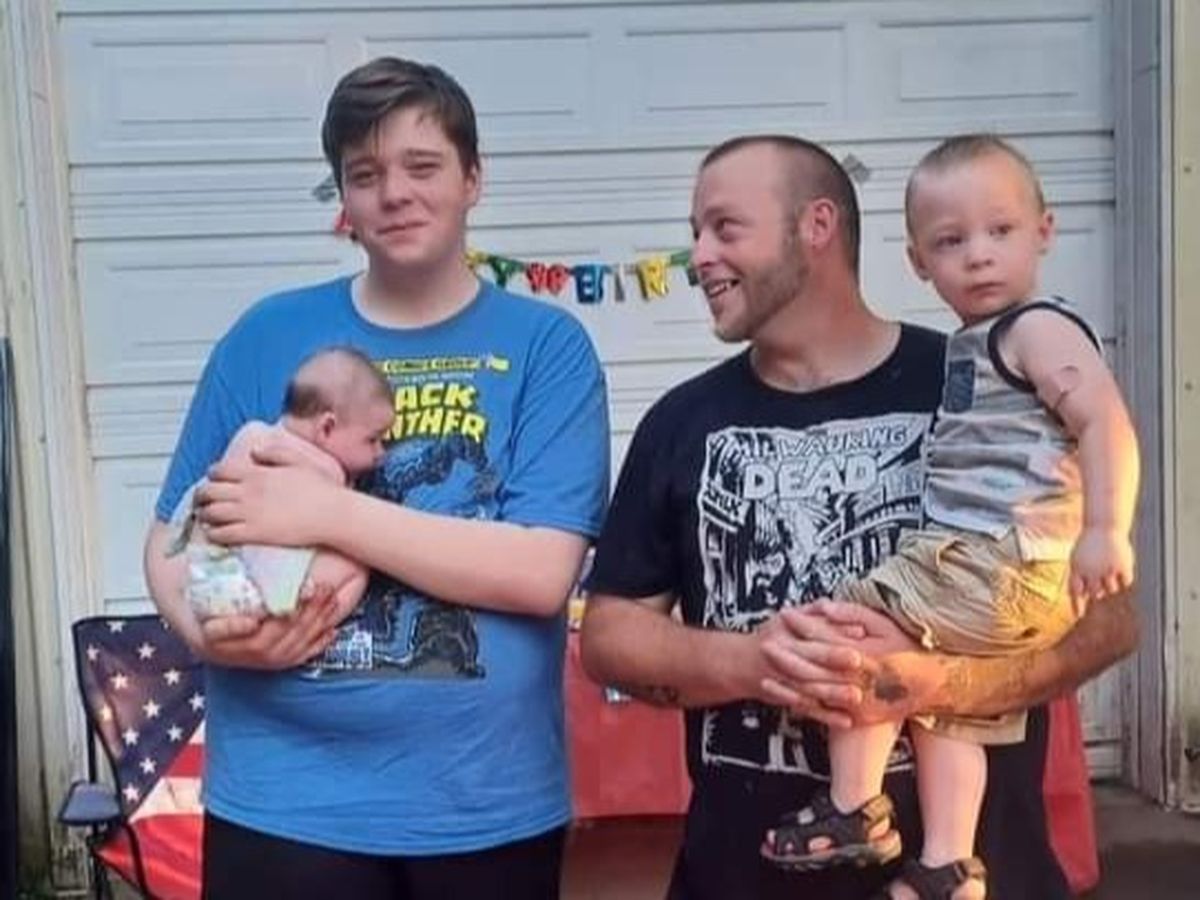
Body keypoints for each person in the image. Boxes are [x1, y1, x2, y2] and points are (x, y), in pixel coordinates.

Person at [580, 133, 1140, 900]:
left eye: (725, 227)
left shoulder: (986, 379)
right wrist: (760, 662)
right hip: (745, 879)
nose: (700, 256)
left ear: (817, 226)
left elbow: (1110, 619)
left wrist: (942, 684)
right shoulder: (681, 422)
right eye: (695, 233)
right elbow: (610, 637)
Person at [143, 56, 609, 900]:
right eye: (365, 175)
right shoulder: (264, 335)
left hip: (482, 804)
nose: (395, 193)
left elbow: (540, 573)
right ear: (344, 201)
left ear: (473, 179)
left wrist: (321, 512)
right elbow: (169, 536)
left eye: (422, 166)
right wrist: (202, 630)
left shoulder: (548, 347)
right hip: (282, 801)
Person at [756, 135, 1139, 898]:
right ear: (918, 262)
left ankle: (853, 808)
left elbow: (1106, 421)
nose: (979, 255)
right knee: (945, 711)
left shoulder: (1036, 328)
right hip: (1011, 573)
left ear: (1044, 231)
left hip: (999, 559)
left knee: (856, 623)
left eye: (1001, 231)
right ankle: (947, 867)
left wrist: (1106, 530)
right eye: (951, 241)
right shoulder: (982, 340)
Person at [171, 346, 394, 620]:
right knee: (356, 567)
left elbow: (198, 498)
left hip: (208, 579)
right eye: (373, 439)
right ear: (326, 427)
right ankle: (314, 623)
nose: (381, 452)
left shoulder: (251, 434)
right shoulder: (326, 471)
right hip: (267, 592)